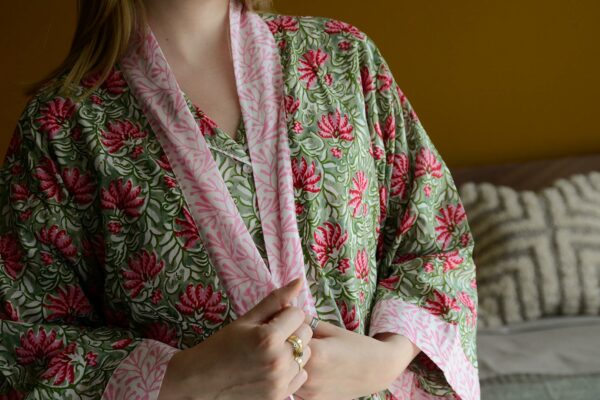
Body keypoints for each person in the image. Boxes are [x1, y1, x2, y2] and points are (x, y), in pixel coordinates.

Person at [0, 0, 480, 399]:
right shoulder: (62, 126)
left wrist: (386, 357)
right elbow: (21, 338)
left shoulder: (344, 58)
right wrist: (185, 377)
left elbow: (437, 242)